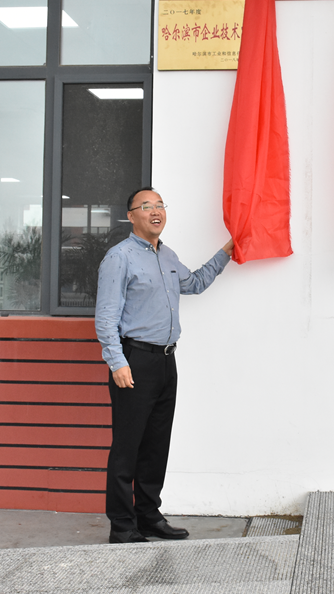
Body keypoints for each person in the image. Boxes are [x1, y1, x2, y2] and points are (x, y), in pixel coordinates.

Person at [95, 187, 234, 543]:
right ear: (131, 215)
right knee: (127, 448)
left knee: (156, 446)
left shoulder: (168, 256)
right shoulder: (119, 258)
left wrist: (227, 251)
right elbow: (106, 316)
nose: (155, 211)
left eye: (160, 205)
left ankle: (148, 517)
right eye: (147, 206)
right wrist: (117, 362)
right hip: (134, 362)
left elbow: (195, 283)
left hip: (166, 361)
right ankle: (122, 526)